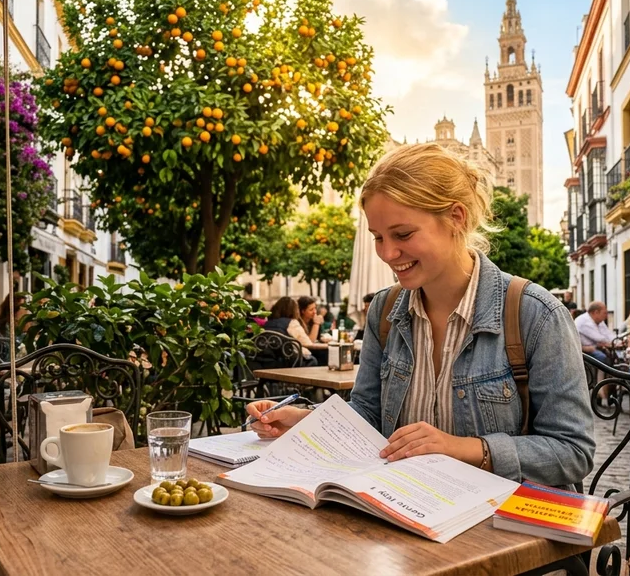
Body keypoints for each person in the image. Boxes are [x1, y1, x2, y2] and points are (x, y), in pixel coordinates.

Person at [246, 142, 595, 487]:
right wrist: (305, 422)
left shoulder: (535, 314)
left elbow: (572, 453)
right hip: (407, 514)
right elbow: (367, 413)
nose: (387, 252)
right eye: (378, 237)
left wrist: (465, 449)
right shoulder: (384, 311)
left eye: (402, 234)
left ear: (456, 217)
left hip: (499, 529)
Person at [264, 296, 325, 365]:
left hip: (267, 360)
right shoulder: (291, 323)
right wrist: (316, 324)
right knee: (316, 358)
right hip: (286, 361)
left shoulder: (267, 323)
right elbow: (308, 343)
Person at [575, 301, 616, 365]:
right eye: (604, 313)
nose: (606, 316)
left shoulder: (598, 321)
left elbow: (607, 333)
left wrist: (616, 341)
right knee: (602, 357)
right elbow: (599, 338)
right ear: (596, 312)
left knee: (612, 354)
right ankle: (600, 374)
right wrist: (614, 343)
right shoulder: (584, 321)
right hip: (583, 349)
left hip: (594, 346)